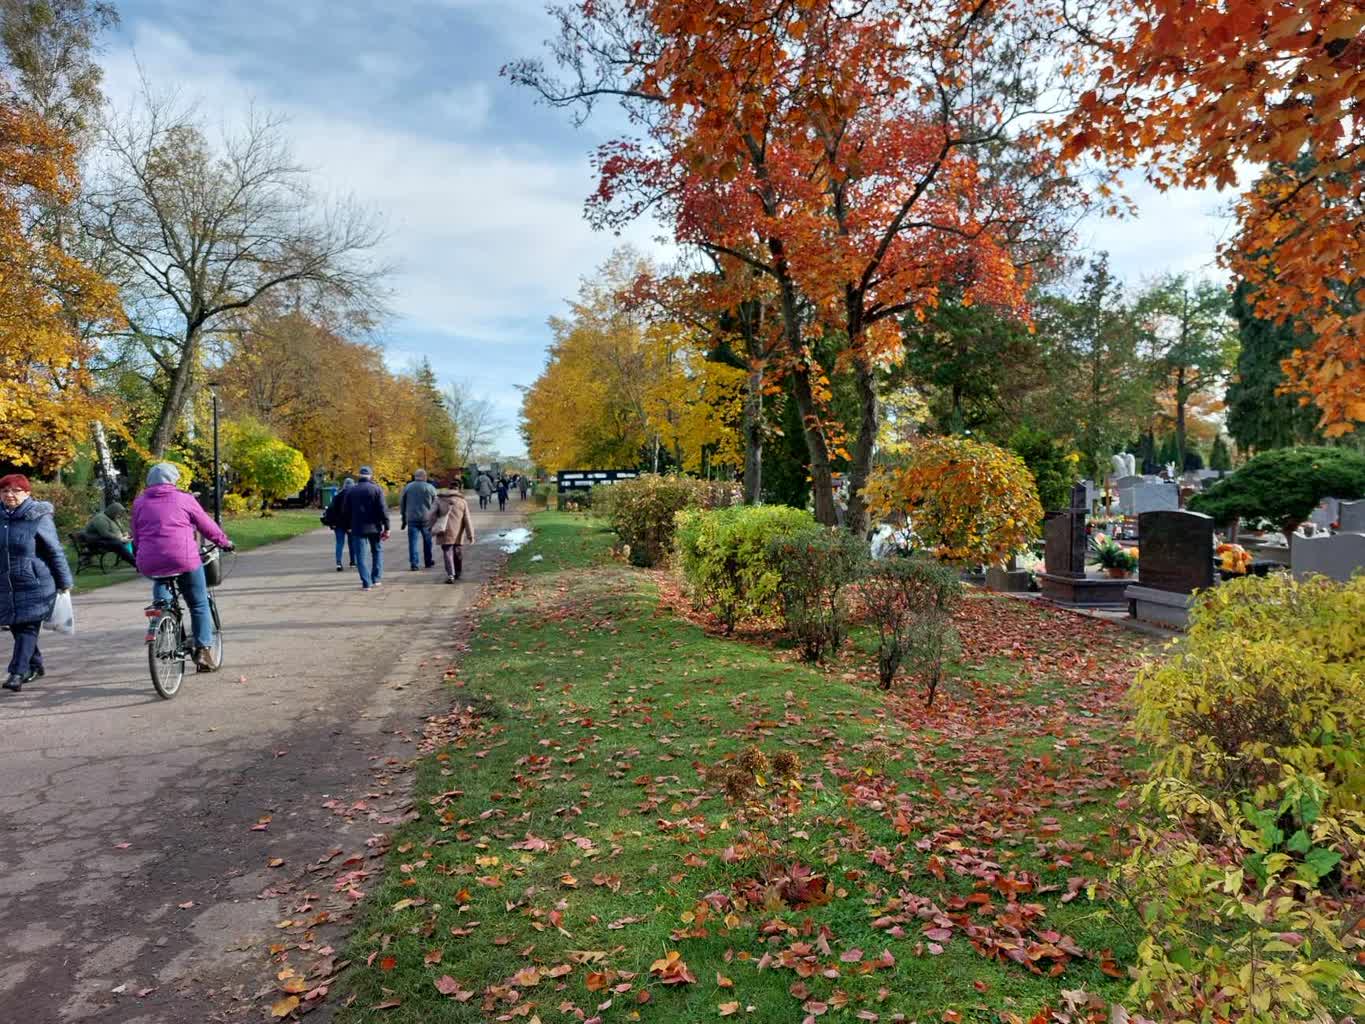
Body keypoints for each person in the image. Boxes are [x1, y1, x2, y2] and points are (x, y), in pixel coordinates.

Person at [131, 463, 234, 673]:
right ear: (173, 480)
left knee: (161, 581)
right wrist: (224, 542)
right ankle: (203, 652)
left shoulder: (140, 502)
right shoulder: (185, 499)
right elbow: (206, 525)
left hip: (150, 561)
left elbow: (136, 534)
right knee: (198, 604)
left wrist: (139, 555)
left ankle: (161, 613)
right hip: (183, 559)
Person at [0, 474, 73, 693]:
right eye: (5, 491)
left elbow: (54, 550)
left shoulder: (37, 516)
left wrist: (64, 581)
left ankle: (16, 673)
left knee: (27, 627)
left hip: (35, 582)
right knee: (15, 625)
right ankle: (36, 664)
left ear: (27, 493)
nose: (10, 495)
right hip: (6, 584)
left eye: (15, 491)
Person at [338, 465, 389, 590]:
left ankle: (366, 583)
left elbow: (345, 511)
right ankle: (376, 579)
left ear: (359, 476)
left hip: (357, 527)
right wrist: (387, 527)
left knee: (360, 555)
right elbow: (383, 509)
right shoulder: (377, 489)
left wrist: (348, 526)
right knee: (377, 551)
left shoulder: (351, 491)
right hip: (374, 527)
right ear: (370, 476)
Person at [430, 486, 475, 583]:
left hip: (444, 531)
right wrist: (470, 535)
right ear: (457, 491)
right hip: (457, 532)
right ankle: (458, 572)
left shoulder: (439, 500)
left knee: (447, 552)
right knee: (457, 551)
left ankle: (451, 575)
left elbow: (431, 514)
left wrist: (431, 527)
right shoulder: (462, 501)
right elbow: (467, 519)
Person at [400, 469, 438, 571]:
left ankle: (414, 564)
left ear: (415, 477)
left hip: (412, 519)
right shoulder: (430, 488)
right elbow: (436, 504)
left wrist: (403, 518)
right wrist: (436, 518)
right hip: (427, 519)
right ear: (424, 477)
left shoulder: (408, 487)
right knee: (427, 541)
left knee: (413, 542)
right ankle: (428, 561)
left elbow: (402, 504)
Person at [78, 502, 137, 568]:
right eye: (118, 513)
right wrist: (120, 538)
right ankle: (136, 564)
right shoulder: (100, 518)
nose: (120, 515)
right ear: (113, 511)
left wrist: (125, 534)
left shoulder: (113, 517)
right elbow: (105, 534)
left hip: (108, 540)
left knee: (134, 541)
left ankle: (140, 561)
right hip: (96, 542)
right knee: (118, 544)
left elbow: (121, 528)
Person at [321, 478, 355, 572]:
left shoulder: (337, 495)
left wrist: (332, 523)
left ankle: (338, 563)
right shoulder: (353, 496)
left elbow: (331, 510)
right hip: (349, 524)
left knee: (339, 543)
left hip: (338, 524)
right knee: (351, 543)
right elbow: (350, 512)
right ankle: (353, 562)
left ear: (343, 485)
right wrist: (349, 526)